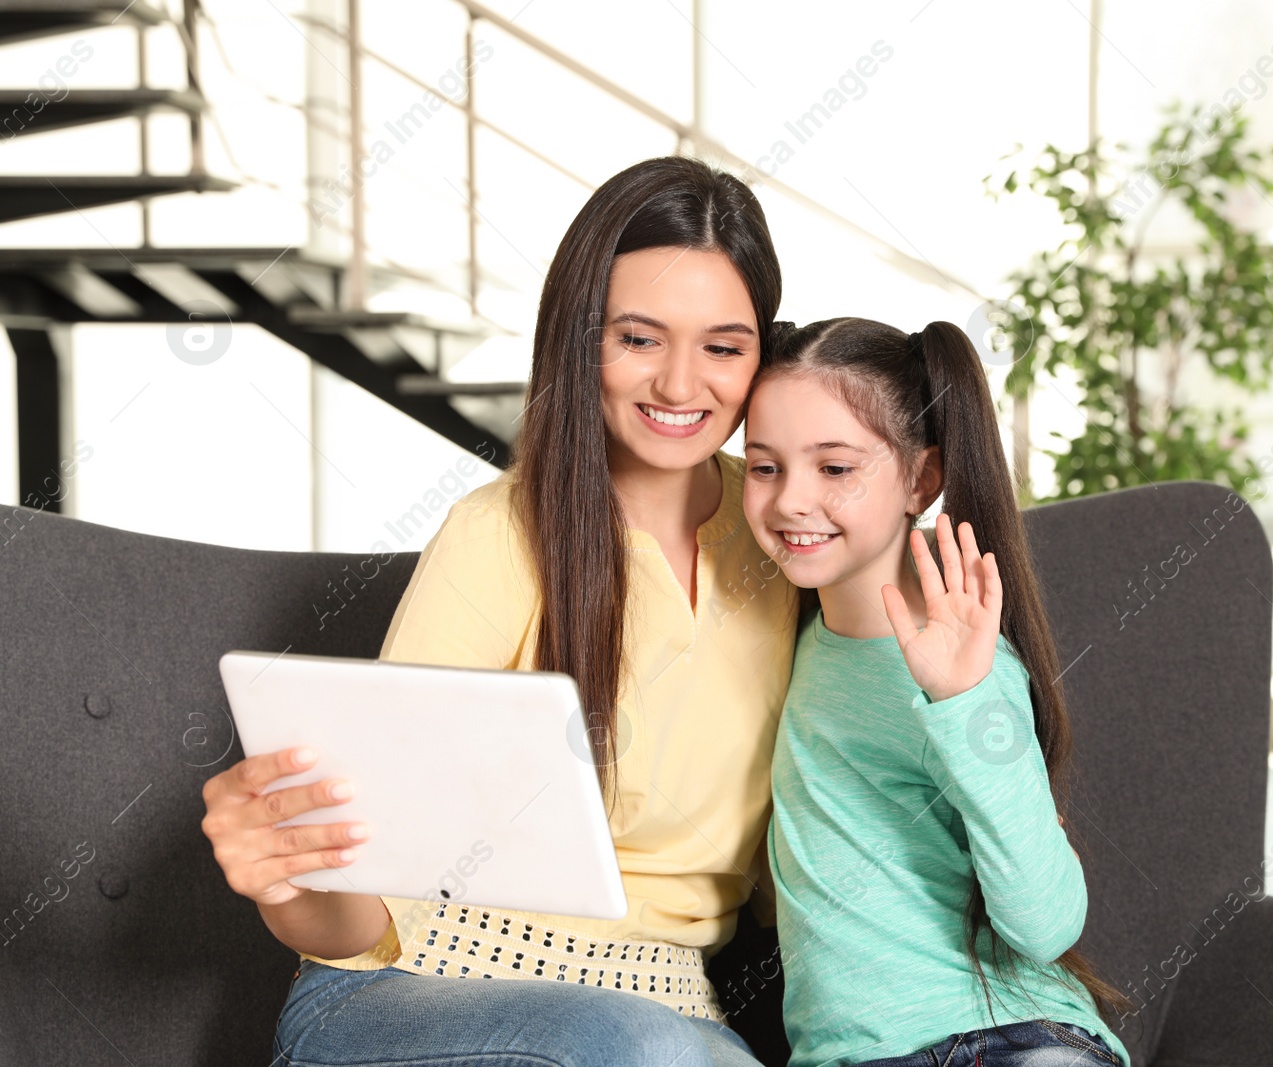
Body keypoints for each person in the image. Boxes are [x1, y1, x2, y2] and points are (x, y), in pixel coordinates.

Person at [199, 156, 798, 1067]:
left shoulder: (786, 537)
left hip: (675, 1017)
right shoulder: (498, 536)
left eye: (724, 347)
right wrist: (284, 883)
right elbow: (368, 894)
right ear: (578, 338)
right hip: (410, 994)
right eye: (638, 339)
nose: (682, 386)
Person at [742, 318, 1132, 1067]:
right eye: (765, 466)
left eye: (834, 469)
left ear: (920, 479)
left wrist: (965, 700)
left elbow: (1048, 924)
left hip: (1014, 1038)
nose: (791, 499)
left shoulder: (970, 666)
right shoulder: (784, 645)